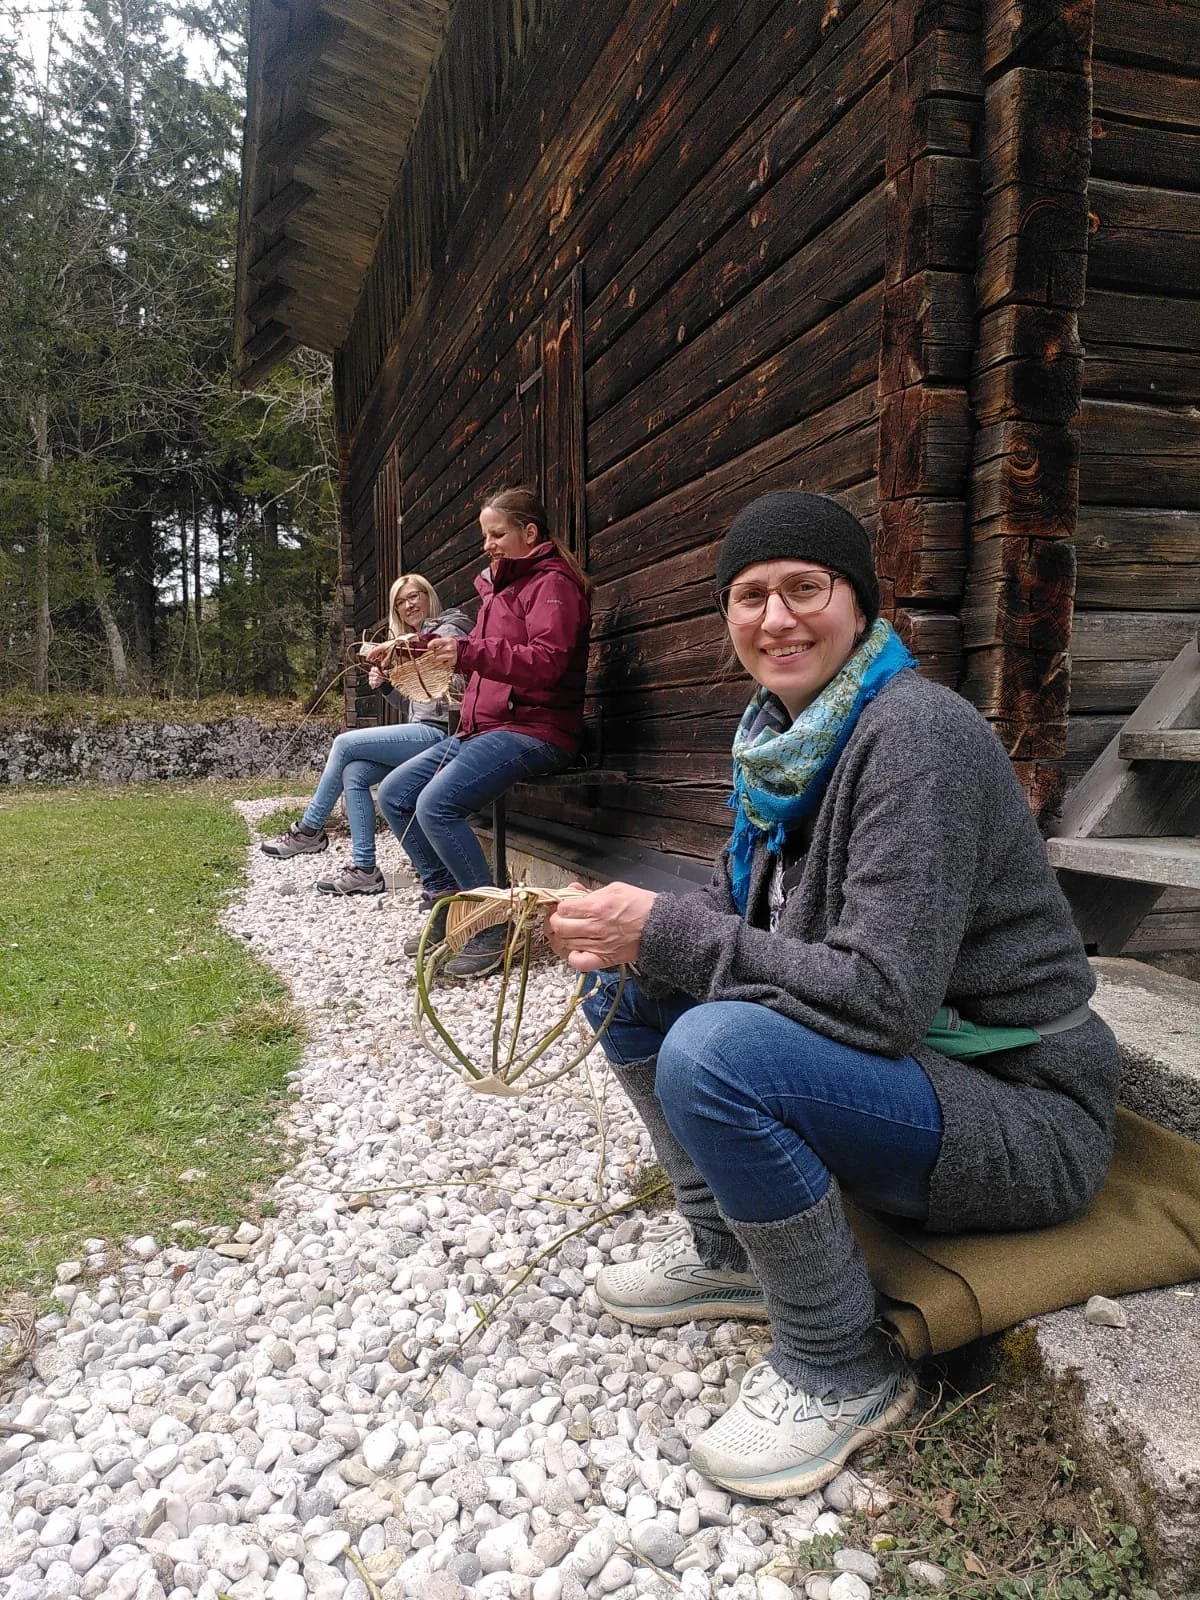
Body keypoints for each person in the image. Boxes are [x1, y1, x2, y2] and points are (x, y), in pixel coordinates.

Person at [546, 490, 1119, 1500]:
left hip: (1027, 1111)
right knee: (627, 986)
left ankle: (838, 1360)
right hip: (921, 1067)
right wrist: (622, 930)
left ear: (858, 603)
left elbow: (881, 997)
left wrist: (665, 929)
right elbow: (735, 917)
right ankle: (726, 1251)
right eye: (750, 596)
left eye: (805, 588)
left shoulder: (917, 738)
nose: (777, 619)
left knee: (714, 1052)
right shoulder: (783, 742)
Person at [379, 486, 591, 978]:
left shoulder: (554, 585)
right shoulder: (500, 589)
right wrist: (414, 648)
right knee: (394, 795)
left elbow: (550, 662)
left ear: (529, 532)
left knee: (436, 804)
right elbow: (474, 648)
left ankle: (493, 924)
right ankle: (451, 904)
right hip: (487, 728)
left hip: (539, 729)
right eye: (485, 536)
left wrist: (469, 653)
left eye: (496, 534)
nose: (487, 545)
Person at [261, 573, 470, 894]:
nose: (408, 605)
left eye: (414, 596)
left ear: (429, 595)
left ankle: (309, 830)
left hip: (444, 736)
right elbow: (420, 705)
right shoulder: (413, 640)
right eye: (400, 602)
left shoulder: (449, 627)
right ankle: (365, 869)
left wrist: (401, 648)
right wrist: (387, 686)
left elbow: (448, 697)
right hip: (423, 731)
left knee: (344, 743)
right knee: (354, 773)